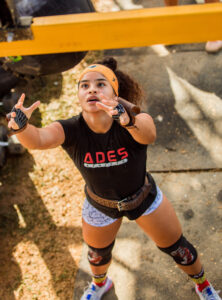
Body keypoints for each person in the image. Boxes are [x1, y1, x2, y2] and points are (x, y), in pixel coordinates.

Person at [7, 57, 221, 300]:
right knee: (97, 255)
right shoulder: (69, 129)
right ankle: (101, 284)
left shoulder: (134, 121)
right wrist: (21, 128)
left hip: (144, 198)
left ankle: (204, 286)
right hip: (101, 205)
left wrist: (128, 121)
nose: (92, 90)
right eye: (84, 85)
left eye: (101, 84)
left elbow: (148, 134)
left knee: (179, 249)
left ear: (115, 92)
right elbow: (39, 139)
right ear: (78, 95)